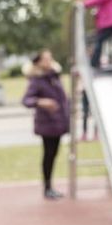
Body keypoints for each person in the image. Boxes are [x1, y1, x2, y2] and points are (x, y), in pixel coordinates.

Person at [22, 49, 70, 199]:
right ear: (39, 62)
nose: (49, 62)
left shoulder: (54, 77)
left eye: (50, 58)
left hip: (58, 122)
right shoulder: (37, 80)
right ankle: (47, 187)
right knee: (49, 155)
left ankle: (50, 186)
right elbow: (26, 100)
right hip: (47, 124)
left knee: (53, 154)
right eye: (46, 59)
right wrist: (41, 102)